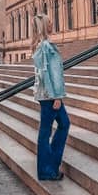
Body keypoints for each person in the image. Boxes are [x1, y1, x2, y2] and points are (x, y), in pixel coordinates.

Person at [32, 13, 69, 181]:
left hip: (45, 94)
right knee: (49, 130)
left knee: (60, 125)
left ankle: (50, 165)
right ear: (44, 26)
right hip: (50, 95)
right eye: (49, 22)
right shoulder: (46, 46)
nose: (52, 24)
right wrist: (57, 96)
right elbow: (50, 73)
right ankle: (48, 169)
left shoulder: (39, 45)